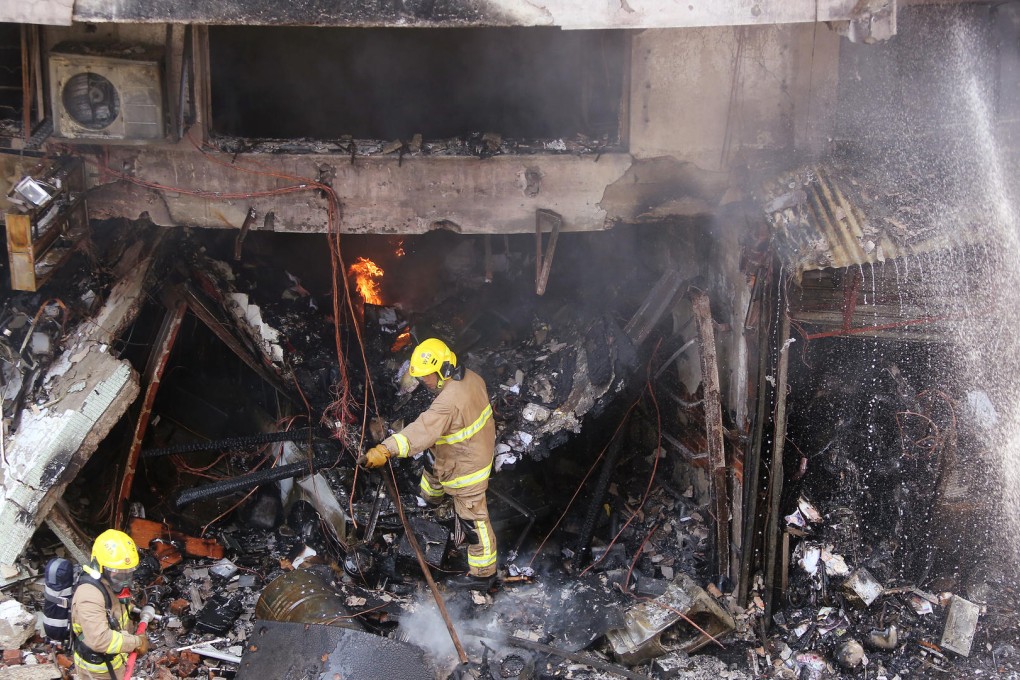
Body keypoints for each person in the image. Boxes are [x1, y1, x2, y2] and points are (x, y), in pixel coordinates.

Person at [361, 337, 497, 588]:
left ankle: (484, 574)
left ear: (444, 369)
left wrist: (384, 449)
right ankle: (431, 497)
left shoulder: (448, 402)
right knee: (432, 460)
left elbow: (420, 432)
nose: (423, 382)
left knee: (474, 521)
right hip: (467, 447)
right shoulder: (472, 378)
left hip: (468, 465)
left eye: (426, 376)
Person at [70, 529, 149, 679]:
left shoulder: (110, 585)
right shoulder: (89, 595)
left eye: (129, 572)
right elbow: (100, 640)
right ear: (100, 567)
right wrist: (137, 642)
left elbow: (114, 610)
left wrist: (137, 614)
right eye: (118, 572)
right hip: (99, 670)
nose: (124, 578)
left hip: (116, 661)